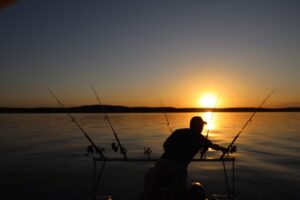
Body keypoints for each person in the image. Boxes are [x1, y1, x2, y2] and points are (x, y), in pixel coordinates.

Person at [140, 116, 230, 200]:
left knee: (151, 190)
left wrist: (173, 152)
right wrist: (223, 149)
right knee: (179, 194)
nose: (202, 128)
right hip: (178, 167)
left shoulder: (178, 132)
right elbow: (212, 146)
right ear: (198, 126)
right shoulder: (199, 137)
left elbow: (165, 145)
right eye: (202, 125)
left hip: (162, 163)